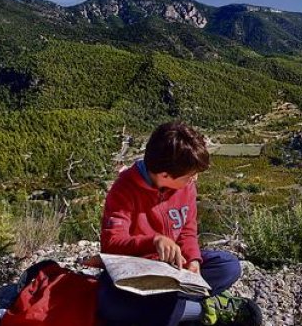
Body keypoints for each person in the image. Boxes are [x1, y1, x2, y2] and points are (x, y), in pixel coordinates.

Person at [99, 121, 262, 326]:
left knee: (228, 266)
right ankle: (202, 309)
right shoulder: (124, 189)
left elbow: (187, 229)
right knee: (109, 304)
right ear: (165, 175)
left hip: (176, 269)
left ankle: (174, 308)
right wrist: (154, 242)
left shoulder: (186, 187)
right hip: (138, 271)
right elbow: (111, 244)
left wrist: (193, 259)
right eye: (189, 176)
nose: (194, 180)